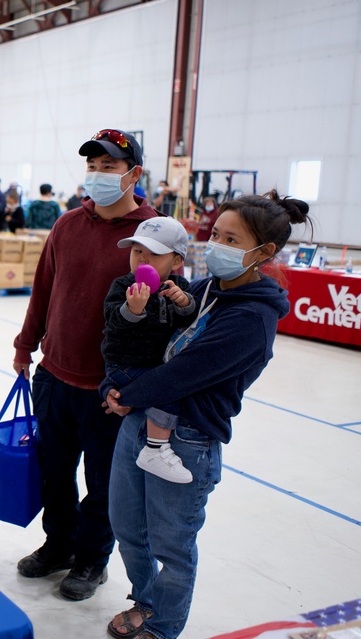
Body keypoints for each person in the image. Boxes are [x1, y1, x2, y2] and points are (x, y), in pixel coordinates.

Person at [103, 190, 311, 639]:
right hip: (142, 420)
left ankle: (163, 626)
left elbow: (181, 374)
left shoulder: (253, 319)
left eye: (231, 239)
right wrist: (117, 376)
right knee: (127, 528)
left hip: (188, 439)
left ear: (264, 253)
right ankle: (147, 601)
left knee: (172, 545)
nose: (216, 243)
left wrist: (126, 394)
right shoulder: (207, 290)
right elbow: (152, 341)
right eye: (215, 233)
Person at [12, 129, 158, 601]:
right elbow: (44, 290)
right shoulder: (67, 225)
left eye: (108, 167)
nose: (96, 175)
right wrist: (25, 344)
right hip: (54, 375)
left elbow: (165, 317)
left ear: (133, 174)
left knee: (103, 483)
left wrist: (140, 386)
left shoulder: (153, 234)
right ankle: (59, 545)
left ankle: (93, 560)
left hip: (109, 389)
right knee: (53, 471)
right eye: (92, 167)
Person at [99, 217, 197, 484]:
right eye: (137, 251)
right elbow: (111, 317)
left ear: (176, 262)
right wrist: (133, 309)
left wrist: (184, 302)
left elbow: (190, 319)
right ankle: (155, 448)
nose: (142, 260)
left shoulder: (178, 287)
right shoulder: (123, 285)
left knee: (169, 381)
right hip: (125, 365)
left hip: (153, 363)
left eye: (154, 254)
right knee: (167, 388)